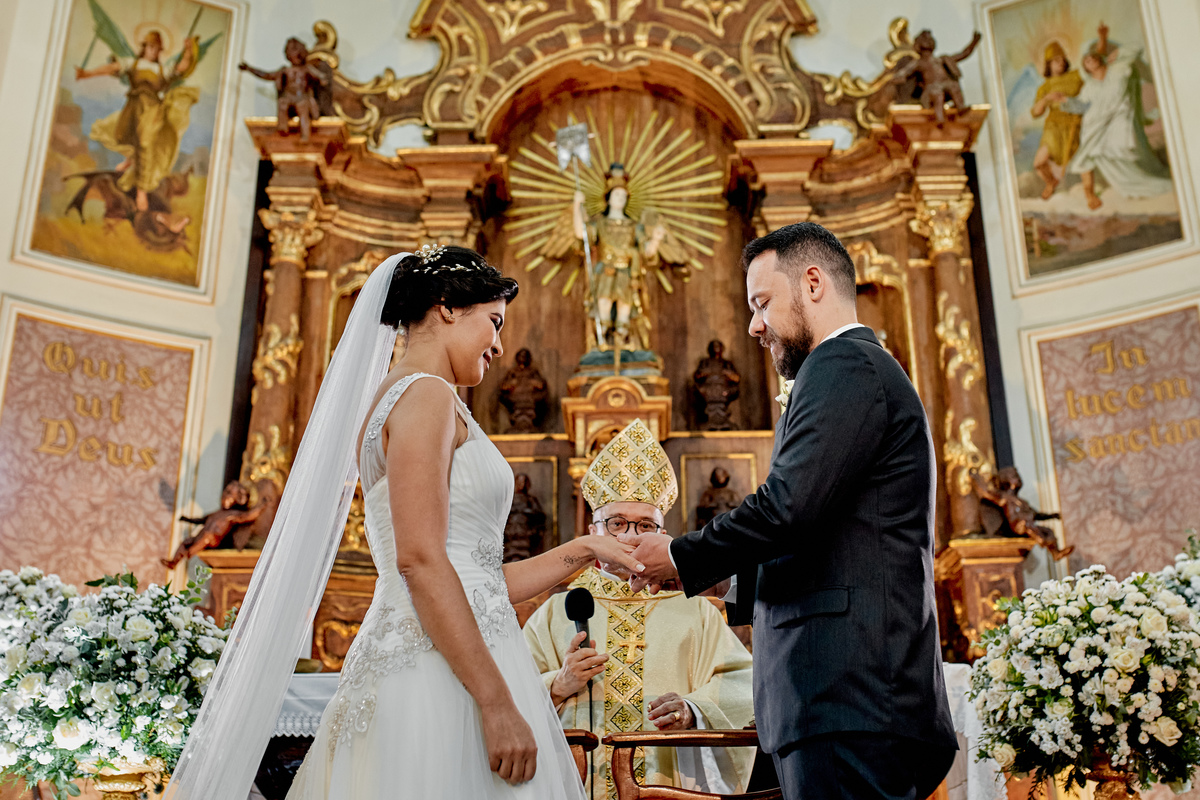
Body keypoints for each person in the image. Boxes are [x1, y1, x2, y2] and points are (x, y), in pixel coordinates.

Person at [164, 245, 645, 800]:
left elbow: (477, 580)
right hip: (440, 675)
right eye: (493, 322)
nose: (499, 344)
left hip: (447, 646)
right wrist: (496, 702)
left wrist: (585, 548)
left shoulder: (413, 396)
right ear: (446, 309)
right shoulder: (426, 394)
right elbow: (419, 561)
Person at [618, 223, 957, 800]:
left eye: (762, 302)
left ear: (814, 283)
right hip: (847, 698)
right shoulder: (855, 369)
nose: (754, 324)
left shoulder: (843, 365)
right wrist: (722, 580)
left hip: (849, 695)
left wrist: (680, 551)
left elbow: (786, 509)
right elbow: (821, 535)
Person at [523, 419, 754, 798]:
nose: (631, 537)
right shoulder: (556, 611)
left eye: (645, 524)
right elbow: (503, 696)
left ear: (664, 535)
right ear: (593, 530)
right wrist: (557, 685)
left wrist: (693, 710)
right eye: (617, 523)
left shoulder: (695, 610)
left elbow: (743, 686)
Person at [76, 30, 200, 212]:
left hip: (152, 110)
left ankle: (141, 190)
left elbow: (182, 67)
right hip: (133, 108)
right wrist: (87, 74)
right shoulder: (132, 63)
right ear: (144, 48)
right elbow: (111, 68)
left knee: (146, 141)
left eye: (157, 49)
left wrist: (188, 50)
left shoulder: (162, 69)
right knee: (123, 135)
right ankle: (131, 160)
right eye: (151, 47)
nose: (154, 51)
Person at [1060, 23, 1173, 209]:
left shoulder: (1118, 69)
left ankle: (1135, 181)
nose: (1091, 61)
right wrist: (1065, 100)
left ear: (1100, 58)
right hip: (1094, 126)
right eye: (1086, 61)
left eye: (1093, 58)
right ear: (1085, 68)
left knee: (1119, 149)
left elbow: (1137, 47)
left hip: (1119, 121)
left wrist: (1117, 53)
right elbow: (1080, 106)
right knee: (1087, 158)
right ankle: (1091, 196)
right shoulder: (1089, 87)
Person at [1029, 41, 1083, 199]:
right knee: (1039, 163)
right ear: (1048, 64)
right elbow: (1035, 112)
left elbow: (1090, 92)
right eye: (1055, 61)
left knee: (1076, 162)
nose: (1060, 63)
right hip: (1053, 128)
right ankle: (1051, 182)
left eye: (1062, 60)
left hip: (1073, 124)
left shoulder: (1076, 77)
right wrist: (1047, 98)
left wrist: (1069, 101)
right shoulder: (1045, 87)